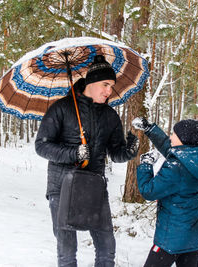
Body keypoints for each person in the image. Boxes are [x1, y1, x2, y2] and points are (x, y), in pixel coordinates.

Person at [35, 55, 139, 267]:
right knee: (67, 250)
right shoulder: (61, 108)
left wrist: (129, 151)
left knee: (106, 247)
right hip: (62, 186)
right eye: (105, 84)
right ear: (91, 83)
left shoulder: (110, 115)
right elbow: (42, 146)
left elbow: (116, 153)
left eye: (111, 86)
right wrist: (74, 153)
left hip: (94, 186)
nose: (109, 91)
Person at [132, 117, 198, 267]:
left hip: (171, 238)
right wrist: (150, 129)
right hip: (191, 237)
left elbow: (148, 191)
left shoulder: (176, 167)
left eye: (174, 134)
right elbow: (169, 148)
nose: (170, 137)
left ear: (183, 139)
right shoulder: (196, 158)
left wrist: (146, 165)